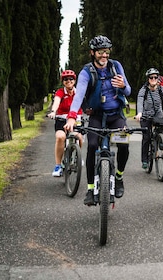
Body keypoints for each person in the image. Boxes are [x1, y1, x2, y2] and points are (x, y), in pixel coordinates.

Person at [64, 35, 131, 206]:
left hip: (116, 116)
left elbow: (129, 91)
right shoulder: (87, 72)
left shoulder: (116, 66)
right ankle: (90, 188)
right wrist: (72, 116)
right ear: (92, 53)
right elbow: (79, 95)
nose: (104, 56)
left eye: (107, 52)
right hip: (96, 117)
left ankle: (119, 177)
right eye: (101, 52)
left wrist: (123, 87)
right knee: (92, 145)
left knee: (123, 144)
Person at [134, 68, 163, 169]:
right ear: (148, 79)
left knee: (161, 127)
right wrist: (139, 113)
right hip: (145, 115)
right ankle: (145, 160)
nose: (154, 79)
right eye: (151, 77)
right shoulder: (144, 90)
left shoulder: (161, 89)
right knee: (146, 137)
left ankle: (160, 141)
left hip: (158, 114)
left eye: (156, 77)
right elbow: (140, 101)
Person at [47, 70, 83, 177]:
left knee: (79, 137)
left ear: (74, 80)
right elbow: (56, 102)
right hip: (62, 120)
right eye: (66, 79)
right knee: (60, 137)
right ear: (63, 82)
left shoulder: (79, 92)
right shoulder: (60, 92)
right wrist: (53, 111)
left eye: (71, 79)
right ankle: (58, 165)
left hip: (76, 120)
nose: (69, 81)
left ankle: (78, 156)